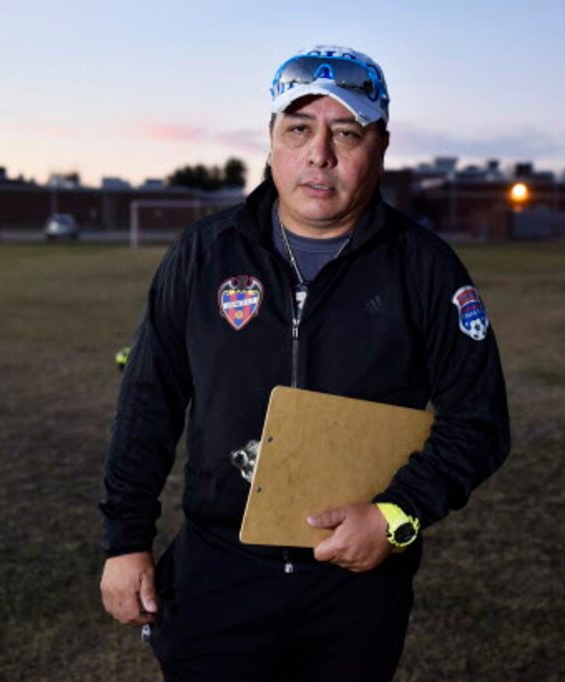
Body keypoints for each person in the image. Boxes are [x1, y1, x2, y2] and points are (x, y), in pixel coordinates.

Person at [100, 44, 510, 682]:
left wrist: (393, 516)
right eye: (299, 129)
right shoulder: (204, 253)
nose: (320, 154)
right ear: (270, 141)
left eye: (346, 132)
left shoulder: (424, 268)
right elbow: (148, 400)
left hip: (354, 586)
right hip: (218, 569)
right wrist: (125, 540)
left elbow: (478, 420)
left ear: (380, 145)